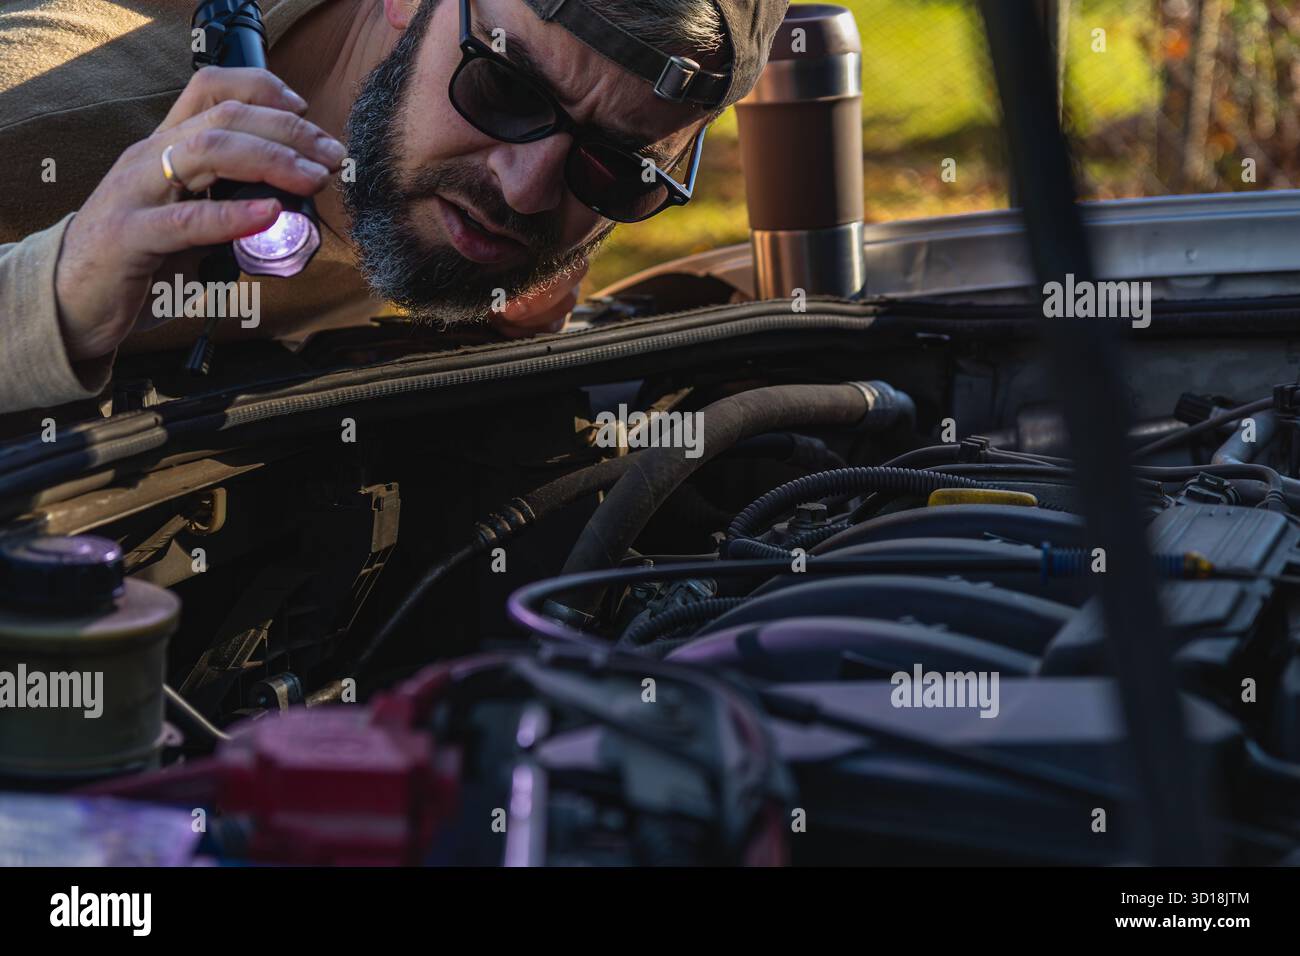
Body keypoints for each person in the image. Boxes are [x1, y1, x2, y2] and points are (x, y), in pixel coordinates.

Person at [0, 0, 788, 415]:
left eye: (612, 169)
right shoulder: (38, 118)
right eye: (504, 90)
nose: (525, 193)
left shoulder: (529, 137)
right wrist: (53, 295)